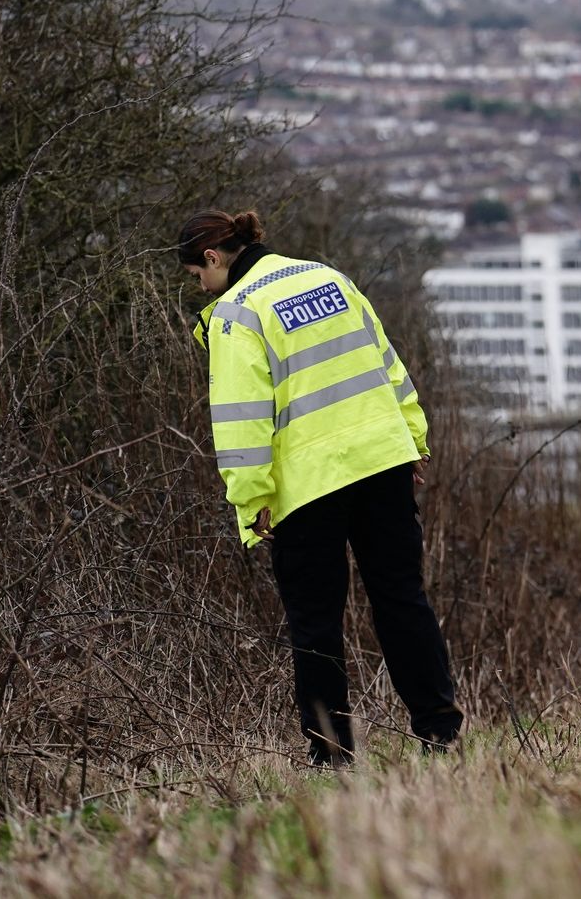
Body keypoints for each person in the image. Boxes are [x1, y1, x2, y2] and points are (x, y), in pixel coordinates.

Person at [180, 208, 462, 764]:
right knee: (402, 599)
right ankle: (440, 731)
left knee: (316, 622)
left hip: (310, 485)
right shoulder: (327, 278)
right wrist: (413, 440)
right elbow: (387, 363)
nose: (200, 287)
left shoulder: (238, 313)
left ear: (212, 258)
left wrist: (252, 499)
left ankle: (332, 755)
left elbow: (242, 420)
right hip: (382, 463)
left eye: (196, 276)